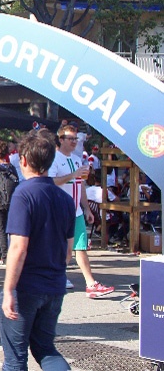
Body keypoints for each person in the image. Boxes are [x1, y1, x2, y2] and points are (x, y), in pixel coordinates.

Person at [0, 131, 97, 371]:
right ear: (49, 161)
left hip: (27, 286)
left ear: (23, 160)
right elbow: (66, 251)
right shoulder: (63, 199)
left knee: (15, 357)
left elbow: (18, 247)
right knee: (46, 348)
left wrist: (8, 289)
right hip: (55, 284)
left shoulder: (24, 194)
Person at [48, 124, 113, 298]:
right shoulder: (54, 159)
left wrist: (86, 208)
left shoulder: (77, 160)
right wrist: (74, 174)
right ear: (61, 140)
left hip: (76, 211)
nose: (74, 142)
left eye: (76, 139)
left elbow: (81, 186)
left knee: (80, 247)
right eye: (70, 139)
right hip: (61, 211)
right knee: (65, 250)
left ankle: (90, 284)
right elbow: (51, 182)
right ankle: (56, 277)